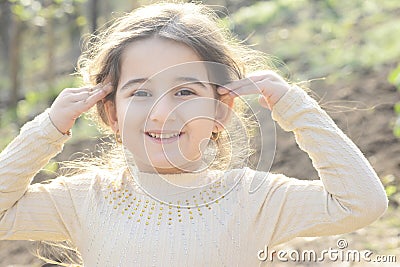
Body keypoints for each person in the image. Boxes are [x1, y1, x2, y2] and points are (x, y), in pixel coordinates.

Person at [0, 2, 387, 266]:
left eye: (185, 92)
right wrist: (47, 129)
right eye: (140, 92)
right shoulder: (84, 200)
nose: (163, 112)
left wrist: (294, 105)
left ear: (220, 111)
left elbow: (361, 203)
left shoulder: (253, 199)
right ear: (110, 112)